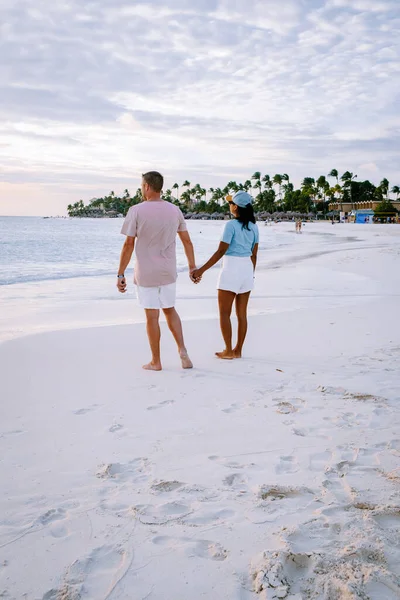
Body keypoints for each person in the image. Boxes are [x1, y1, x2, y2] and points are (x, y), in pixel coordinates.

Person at [117, 171, 197, 371]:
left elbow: (128, 244)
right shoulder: (174, 210)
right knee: (170, 310)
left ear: (146, 187)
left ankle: (156, 361)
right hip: (167, 271)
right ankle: (183, 350)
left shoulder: (136, 210)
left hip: (146, 273)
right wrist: (192, 266)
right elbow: (187, 241)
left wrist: (120, 273)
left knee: (152, 317)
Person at [192, 191, 259, 360]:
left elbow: (221, 251)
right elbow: (254, 254)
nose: (229, 206)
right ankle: (238, 350)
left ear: (235, 207)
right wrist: (251, 274)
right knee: (242, 314)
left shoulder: (230, 225)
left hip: (231, 268)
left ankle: (228, 350)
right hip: (247, 269)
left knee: (224, 313)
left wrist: (201, 270)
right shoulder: (254, 226)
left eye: (230, 203)